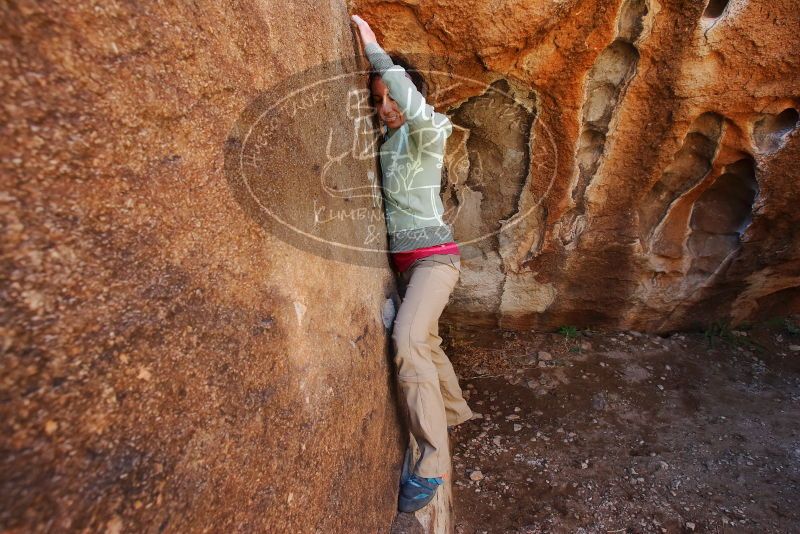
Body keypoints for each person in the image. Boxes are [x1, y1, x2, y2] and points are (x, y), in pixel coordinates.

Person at [351, 14, 474, 513]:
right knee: (427, 340)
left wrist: (375, 49)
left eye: (392, 97)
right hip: (408, 265)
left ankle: (430, 464)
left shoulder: (430, 130)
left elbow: (414, 107)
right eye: (376, 99)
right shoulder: (387, 142)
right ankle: (452, 411)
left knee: (406, 342)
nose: (385, 108)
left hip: (435, 261)